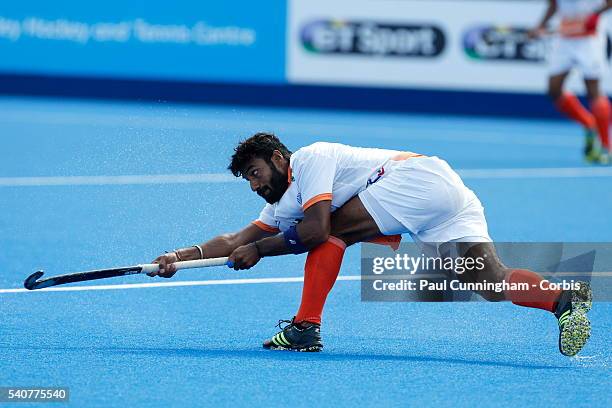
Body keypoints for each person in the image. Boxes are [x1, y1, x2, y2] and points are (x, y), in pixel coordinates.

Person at [149, 133, 593, 356]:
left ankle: (305, 327)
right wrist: (177, 256)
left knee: (333, 233)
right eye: (246, 178)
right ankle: (563, 300)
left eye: (255, 172)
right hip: (444, 198)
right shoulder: (283, 204)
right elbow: (235, 239)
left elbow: (318, 231)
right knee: (491, 282)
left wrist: (261, 251)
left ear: (279, 159)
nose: (252, 183)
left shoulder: (311, 159)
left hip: (416, 180)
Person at [529, 0, 612, 164]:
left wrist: (595, 14)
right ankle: (588, 123)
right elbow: (554, 4)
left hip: (590, 39)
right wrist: (540, 26)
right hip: (565, 40)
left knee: (593, 91)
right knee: (554, 89)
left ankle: (605, 147)